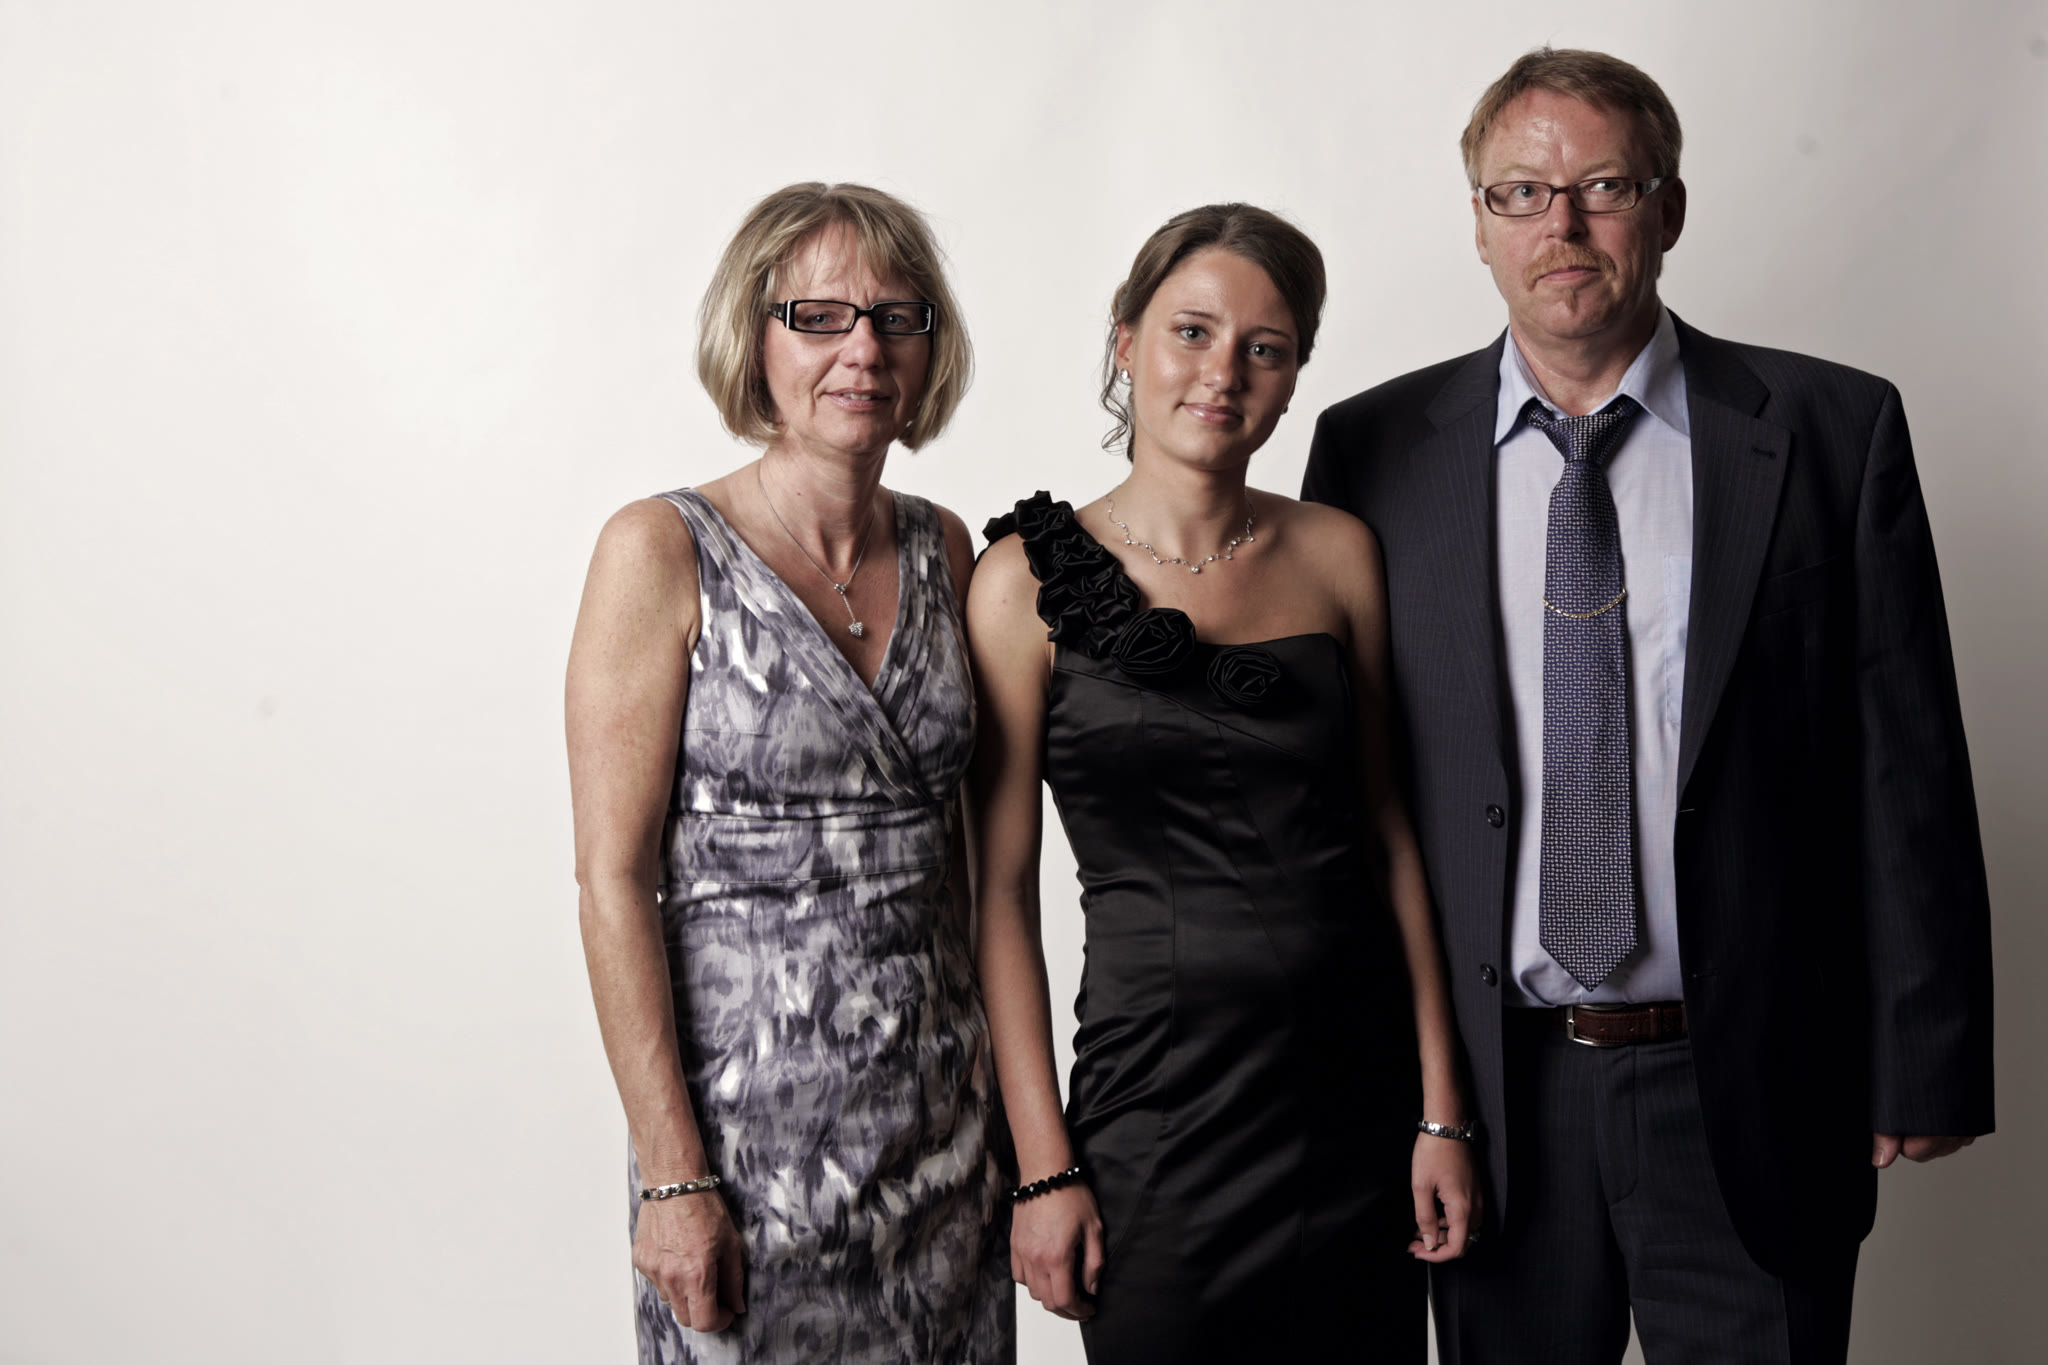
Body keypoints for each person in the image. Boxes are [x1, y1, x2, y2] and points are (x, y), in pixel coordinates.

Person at [1301, 47, 1994, 1365]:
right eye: (1519, 193)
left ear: (1667, 209)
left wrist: (1926, 1053)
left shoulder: (1829, 428)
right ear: (1479, 225)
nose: (1559, 226)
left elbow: (1904, 762)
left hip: (1753, 1077)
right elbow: (1346, 786)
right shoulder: (1370, 450)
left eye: (1603, 186)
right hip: (1490, 1098)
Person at [968, 203, 1479, 1364]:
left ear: (1293, 376)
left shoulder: (1339, 553)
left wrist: (1440, 1112)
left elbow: (1390, 838)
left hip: (1351, 1110)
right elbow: (995, 895)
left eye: (1264, 347)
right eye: (1190, 332)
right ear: (1124, 342)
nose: (1222, 373)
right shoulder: (1020, 583)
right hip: (1153, 1118)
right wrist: (1041, 1166)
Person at [565, 182, 1013, 1365]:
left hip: (944, 1153)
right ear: (752, 339)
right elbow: (611, 882)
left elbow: (961, 866)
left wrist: (1015, 1139)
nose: (863, 349)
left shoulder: (944, 546)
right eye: (818, 316)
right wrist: (672, 1178)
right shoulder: (658, 551)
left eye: (895, 318)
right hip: (745, 1168)